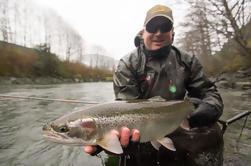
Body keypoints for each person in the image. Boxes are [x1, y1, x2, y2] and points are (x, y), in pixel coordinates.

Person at [85, 4, 224, 166]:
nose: (158, 33)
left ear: (172, 31)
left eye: (164, 27)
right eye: (152, 27)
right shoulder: (128, 63)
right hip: (144, 129)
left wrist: (210, 107)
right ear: (143, 31)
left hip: (177, 122)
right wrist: (111, 139)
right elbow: (125, 106)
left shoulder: (187, 60)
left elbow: (209, 93)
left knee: (211, 131)